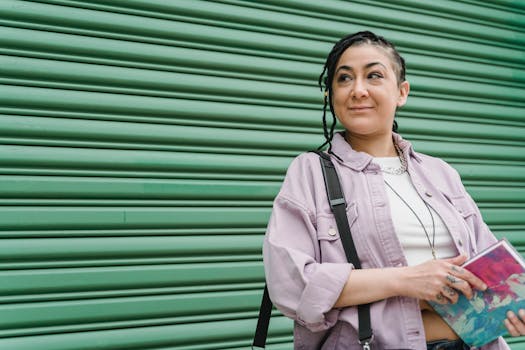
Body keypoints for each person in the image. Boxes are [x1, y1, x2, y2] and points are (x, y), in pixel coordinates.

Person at [263, 31, 525, 349]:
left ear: (402, 92)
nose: (358, 90)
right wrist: (406, 280)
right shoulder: (311, 172)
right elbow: (291, 285)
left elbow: (490, 269)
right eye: (344, 79)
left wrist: (512, 301)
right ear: (331, 95)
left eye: (374, 75)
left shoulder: (440, 173)